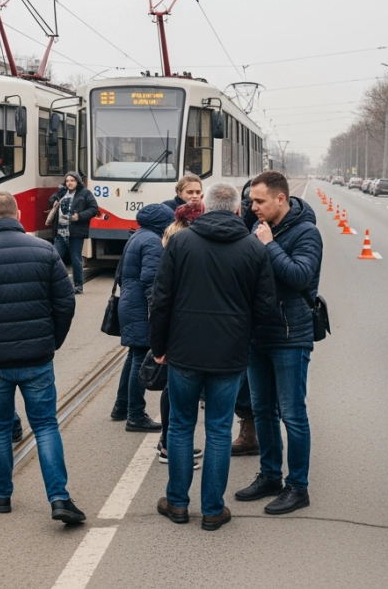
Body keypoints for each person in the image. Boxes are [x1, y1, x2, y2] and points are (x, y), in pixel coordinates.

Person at [0, 191, 85, 524]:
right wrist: (52, 343)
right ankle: (59, 498)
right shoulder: (45, 251)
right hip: (37, 358)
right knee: (46, 425)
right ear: (19, 213)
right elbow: (65, 304)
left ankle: (2, 493)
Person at [151, 182, 275, 531]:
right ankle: (212, 509)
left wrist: (159, 347)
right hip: (230, 355)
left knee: (180, 427)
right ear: (240, 210)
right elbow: (264, 309)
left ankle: (176, 503)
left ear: (202, 206)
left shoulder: (180, 243)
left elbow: (161, 300)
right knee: (220, 431)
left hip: (184, 352)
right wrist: (243, 338)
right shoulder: (254, 249)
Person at [234, 171, 322, 516]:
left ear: (280, 199)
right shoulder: (254, 227)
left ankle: (298, 487)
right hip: (258, 333)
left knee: (292, 414)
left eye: (259, 201)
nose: (252, 206)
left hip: (290, 335)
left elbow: (300, 275)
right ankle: (270, 475)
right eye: (251, 201)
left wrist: (269, 245)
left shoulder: (306, 232)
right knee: (263, 411)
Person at [110, 203, 172, 432]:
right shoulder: (153, 242)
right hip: (140, 308)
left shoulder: (137, 236)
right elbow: (151, 281)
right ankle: (135, 415)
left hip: (128, 304)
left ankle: (121, 406)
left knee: (133, 356)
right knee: (140, 359)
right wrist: (155, 311)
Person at [156, 201, 205, 467]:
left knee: (173, 390)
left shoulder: (172, 236)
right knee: (179, 398)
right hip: (183, 327)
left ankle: (167, 443)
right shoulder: (183, 240)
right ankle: (169, 447)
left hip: (175, 327)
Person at [233, 179, 260, 457]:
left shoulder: (298, 229)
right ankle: (250, 430)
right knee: (246, 378)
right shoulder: (247, 223)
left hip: (268, 320)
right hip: (245, 316)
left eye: (257, 201)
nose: (252, 206)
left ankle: (255, 432)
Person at [48, 171, 99, 294]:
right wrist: (54, 200)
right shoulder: (62, 192)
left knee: (75, 259)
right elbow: (51, 199)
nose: (69, 183)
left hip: (76, 232)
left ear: (77, 182)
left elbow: (94, 209)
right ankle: (56, 284)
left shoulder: (85, 193)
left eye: (72, 180)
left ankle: (78, 285)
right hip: (61, 231)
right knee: (56, 258)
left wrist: (80, 216)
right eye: (67, 181)